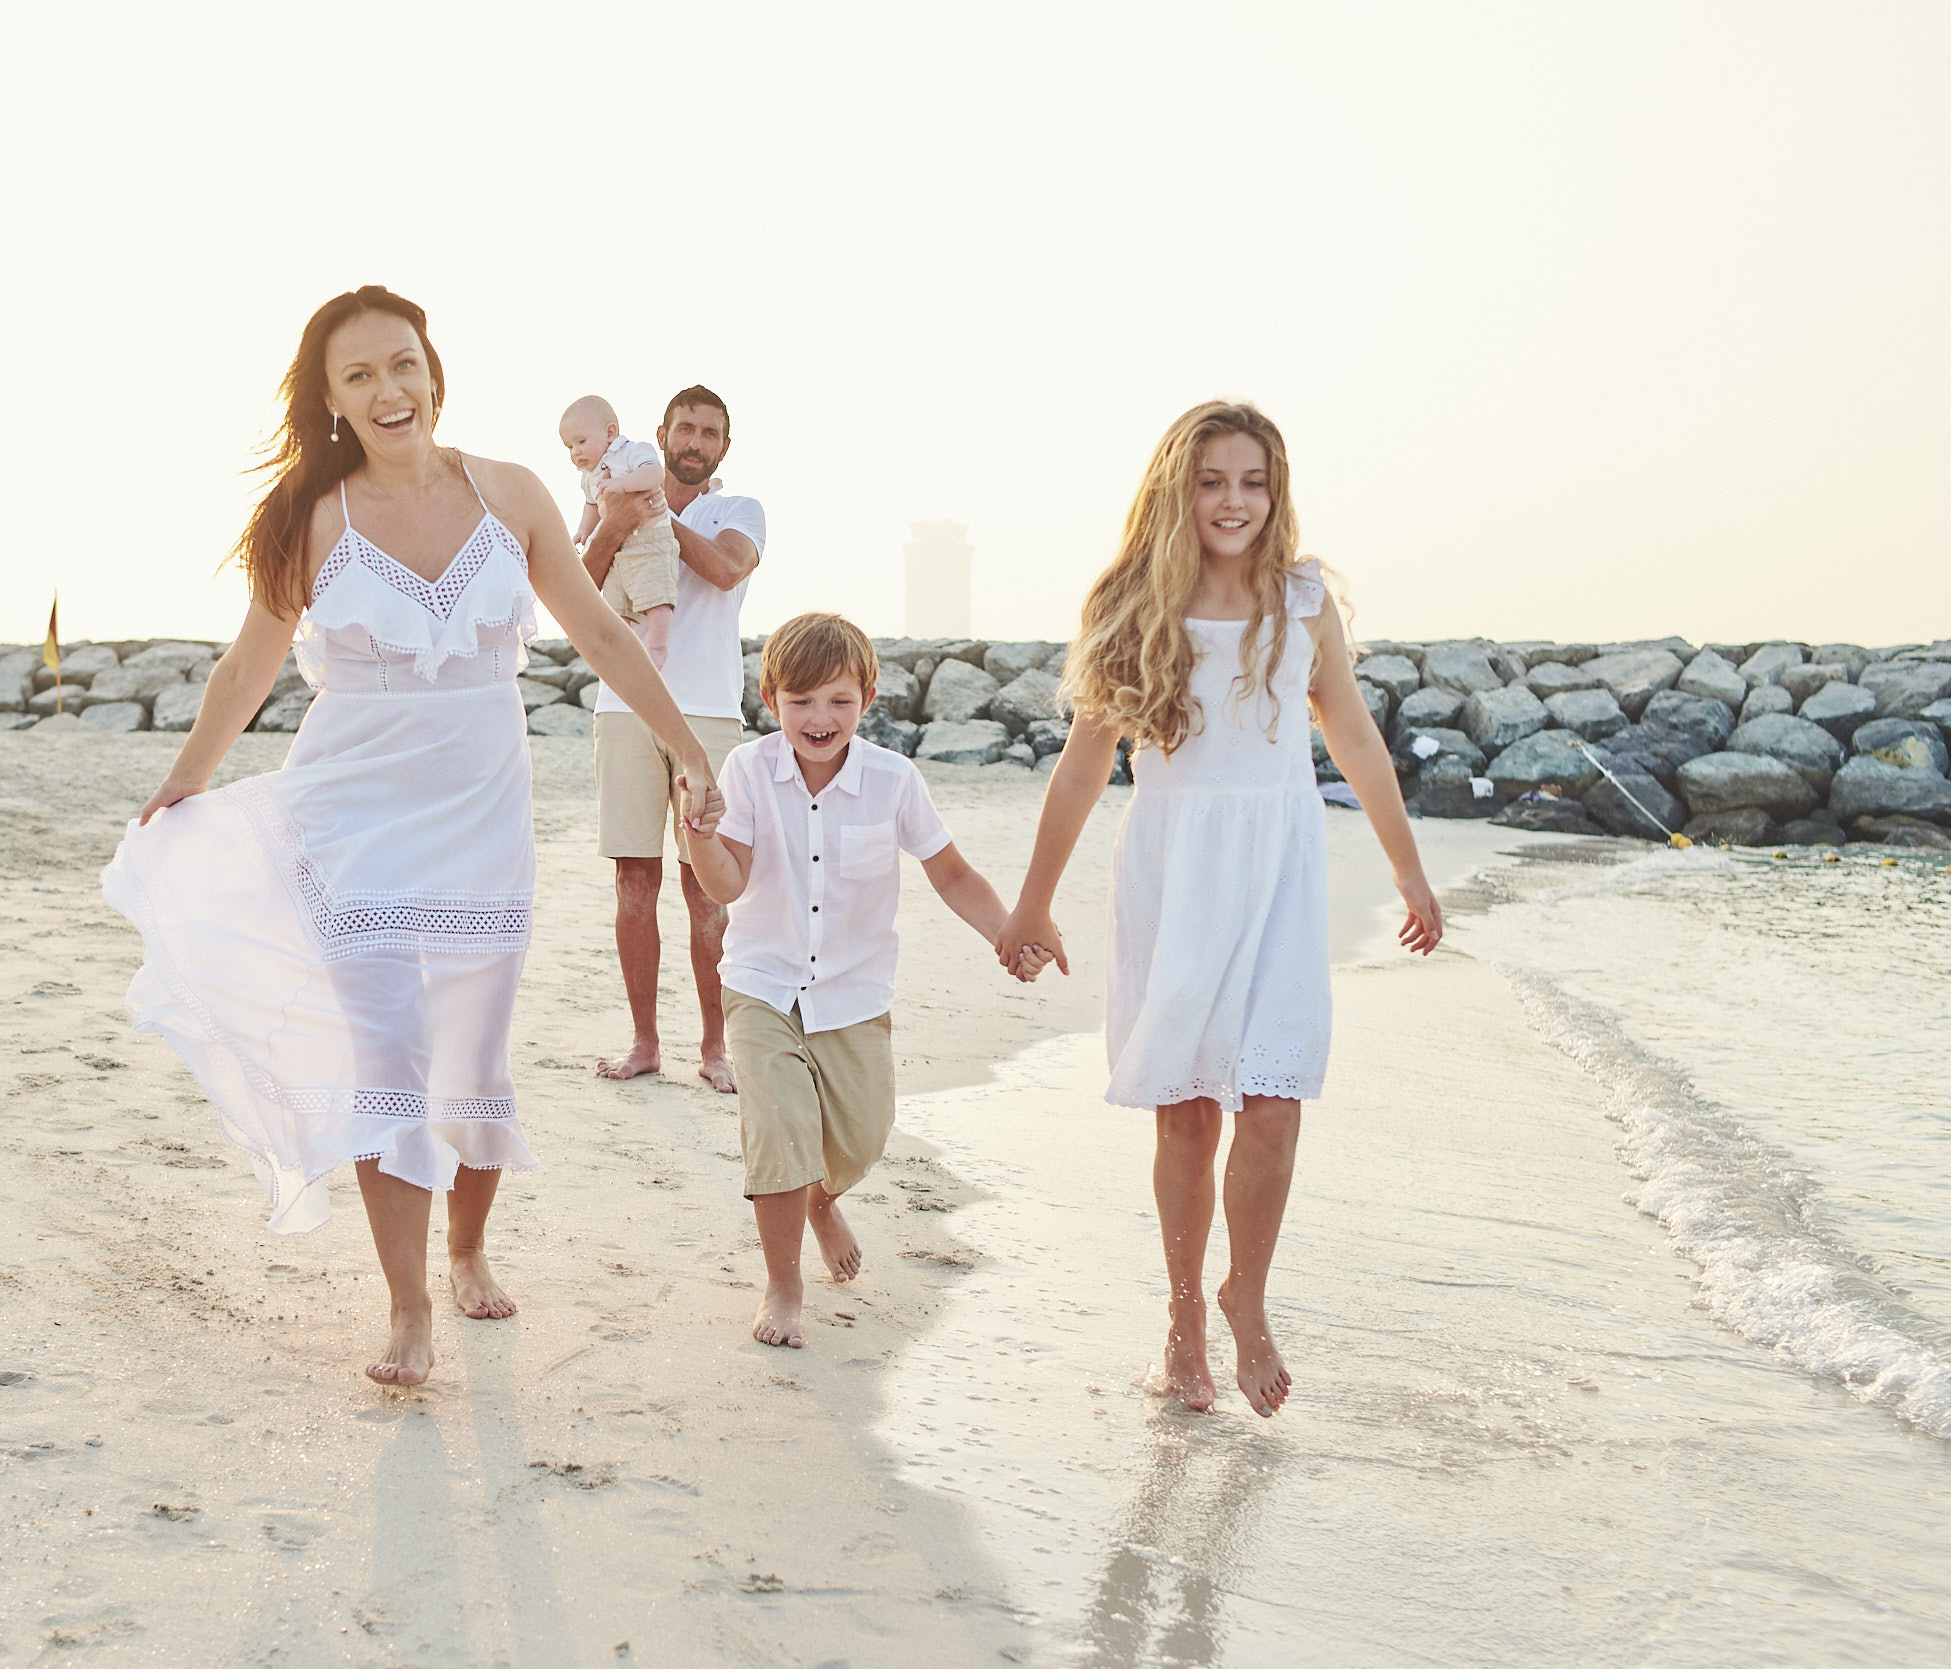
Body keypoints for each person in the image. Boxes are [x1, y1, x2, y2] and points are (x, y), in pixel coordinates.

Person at [100, 286, 722, 1391]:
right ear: (333, 401)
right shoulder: (312, 517)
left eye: (402, 365)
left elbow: (602, 637)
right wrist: (184, 781)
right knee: (390, 1060)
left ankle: (469, 1244)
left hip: (483, 807)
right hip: (350, 813)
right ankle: (407, 1304)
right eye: (359, 376)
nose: (389, 390)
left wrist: (687, 751)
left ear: (433, 371)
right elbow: (248, 664)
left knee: (472, 1058)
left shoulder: (514, 494)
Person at [995, 401, 1444, 1417]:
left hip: (1278, 868)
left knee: (1274, 1100)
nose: (1232, 501)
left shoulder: (1301, 601)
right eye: (1211, 481)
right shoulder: (1130, 601)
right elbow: (1079, 771)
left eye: (1251, 481)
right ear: (1176, 489)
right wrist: (1031, 905)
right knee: (1188, 1115)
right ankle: (1183, 1317)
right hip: (1173, 867)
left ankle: (1247, 1291)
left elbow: (1358, 741)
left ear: (1274, 490)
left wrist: (1410, 871)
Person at [681, 613, 1046, 1348]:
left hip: (852, 990)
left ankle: (822, 1201)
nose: (820, 719)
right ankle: (783, 1284)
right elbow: (726, 884)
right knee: (780, 1129)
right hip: (762, 981)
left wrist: (1009, 931)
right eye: (802, 701)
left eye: (839, 701)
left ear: (869, 697)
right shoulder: (749, 770)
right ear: (771, 697)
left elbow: (951, 872)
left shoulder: (894, 779)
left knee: (861, 1138)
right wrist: (694, 835)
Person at [582, 385, 764, 1092]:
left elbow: (725, 568)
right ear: (659, 433)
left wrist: (653, 513)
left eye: (708, 432)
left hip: (709, 714)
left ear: (723, 444)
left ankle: (716, 1046)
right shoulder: (610, 498)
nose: (693, 441)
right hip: (622, 708)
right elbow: (577, 583)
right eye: (684, 428)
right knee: (634, 880)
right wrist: (615, 518)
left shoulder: (739, 511)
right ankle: (645, 1041)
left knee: (705, 888)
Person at [559, 395, 676, 667]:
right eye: (569, 446)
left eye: (581, 442)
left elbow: (655, 474)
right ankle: (624, 653)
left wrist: (623, 484)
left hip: (651, 541)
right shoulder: (588, 477)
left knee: (657, 595)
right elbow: (591, 505)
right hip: (619, 549)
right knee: (614, 604)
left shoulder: (631, 451)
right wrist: (583, 531)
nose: (575, 452)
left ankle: (658, 647)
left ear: (610, 433)